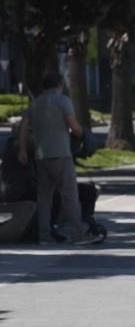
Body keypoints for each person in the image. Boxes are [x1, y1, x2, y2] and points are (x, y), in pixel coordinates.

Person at [16, 72, 100, 244]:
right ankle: (78, 234)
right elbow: (75, 129)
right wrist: (84, 134)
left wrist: (23, 150)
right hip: (61, 155)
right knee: (69, 195)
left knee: (44, 197)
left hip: (41, 157)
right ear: (60, 84)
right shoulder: (63, 101)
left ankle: (44, 235)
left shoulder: (36, 103)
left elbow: (23, 127)